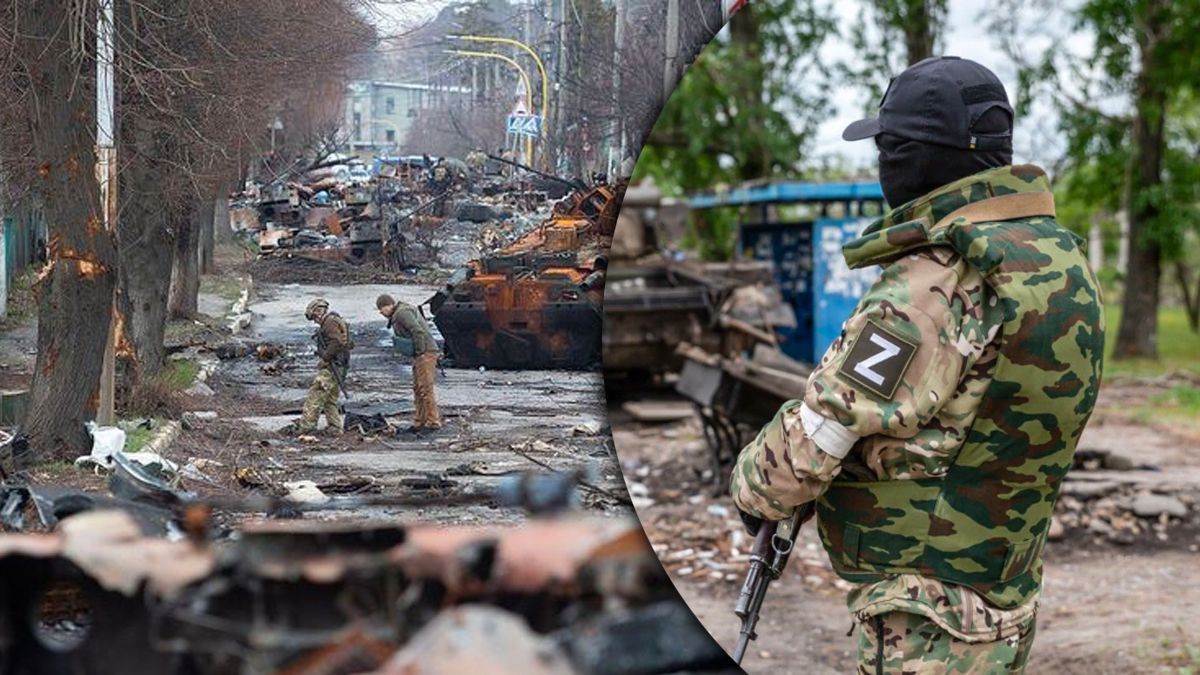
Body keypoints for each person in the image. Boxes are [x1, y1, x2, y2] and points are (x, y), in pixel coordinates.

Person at [729, 56, 1105, 674]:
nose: (883, 165)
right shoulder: (1054, 259)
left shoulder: (931, 283)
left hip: (927, 612)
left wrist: (750, 485)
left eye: (889, 148)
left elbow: (824, 428)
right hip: (1003, 593)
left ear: (913, 156)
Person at [376, 294, 442, 432]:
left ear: (389, 305)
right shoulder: (400, 312)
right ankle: (420, 420)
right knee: (418, 388)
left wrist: (420, 352)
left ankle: (433, 420)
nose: (381, 313)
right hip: (421, 353)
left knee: (425, 388)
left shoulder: (402, 313)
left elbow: (417, 330)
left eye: (381, 309)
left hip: (425, 353)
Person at [294, 298, 352, 435]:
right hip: (339, 365)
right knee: (329, 400)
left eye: (314, 317)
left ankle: (306, 426)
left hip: (332, 366)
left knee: (316, 395)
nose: (315, 321)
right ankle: (335, 427)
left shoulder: (329, 323)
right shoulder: (334, 321)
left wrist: (325, 358)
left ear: (319, 312)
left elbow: (337, 342)